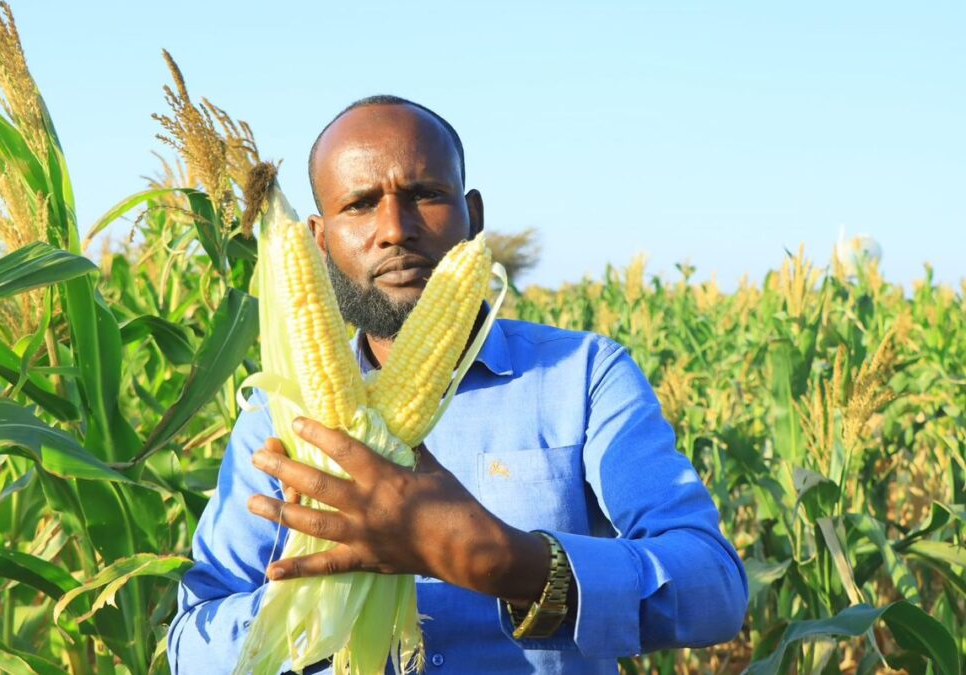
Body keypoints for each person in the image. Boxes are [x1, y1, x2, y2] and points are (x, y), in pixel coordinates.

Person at [168, 95, 748, 674]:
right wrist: (309, 592)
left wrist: (504, 561)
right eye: (361, 205)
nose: (395, 230)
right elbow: (189, 643)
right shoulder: (279, 413)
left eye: (426, 195)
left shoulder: (583, 375)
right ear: (319, 239)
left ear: (473, 213)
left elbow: (713, 586)